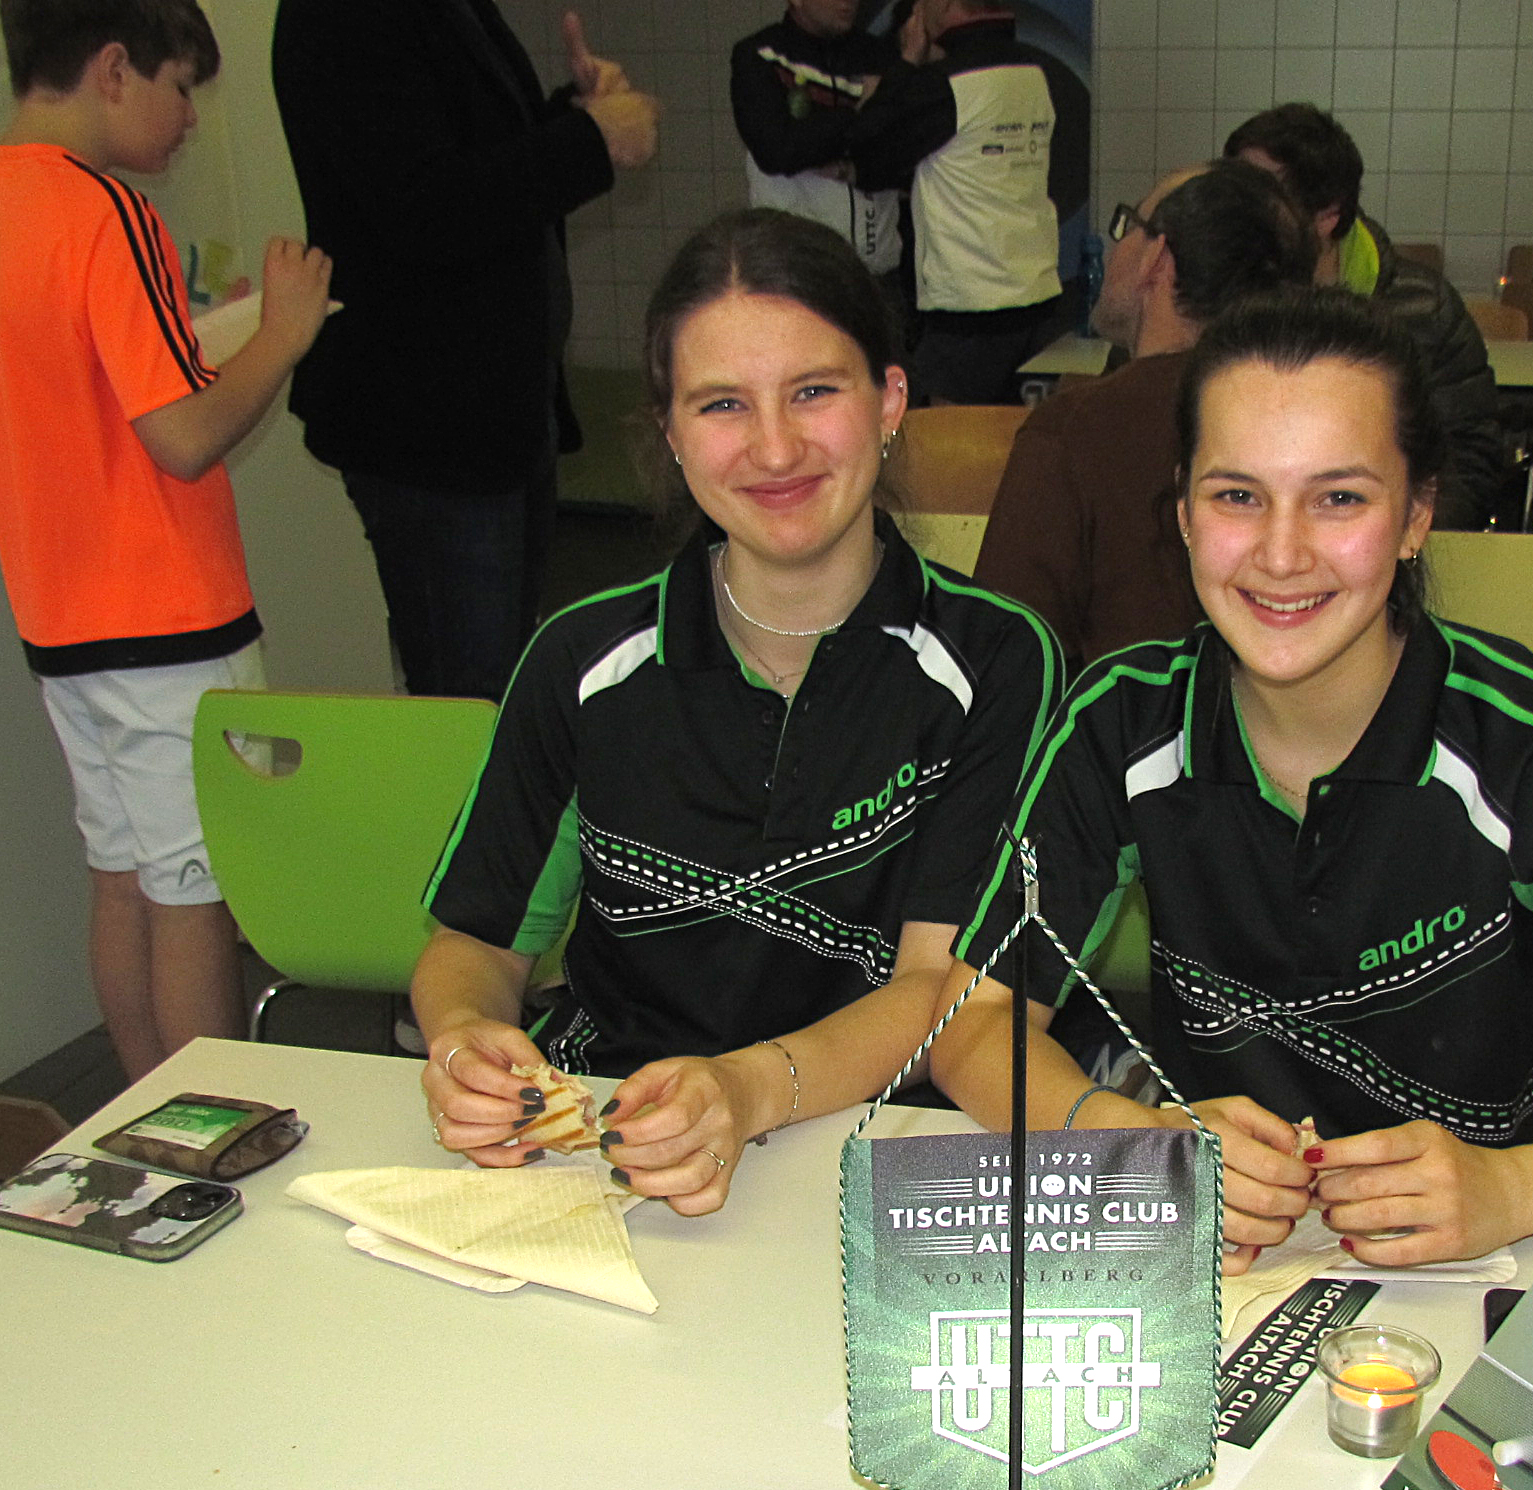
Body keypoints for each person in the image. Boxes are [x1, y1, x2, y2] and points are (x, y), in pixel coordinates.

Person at [930, 289, 1533, 1271]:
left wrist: (1516, 1190)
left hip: (1496, 1261)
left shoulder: (1532, 752)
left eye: (1340, 498)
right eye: (1236, 496)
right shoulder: (1117, 724)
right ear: (1182, 514)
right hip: (1235, 1265)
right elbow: (973, 1023)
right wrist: (1126, 1142)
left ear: (1417, 515)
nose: (1282, 553)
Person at [415, 209, 1062, 1215]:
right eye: (722, 404)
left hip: (873, 1148)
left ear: (891, 400)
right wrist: (464, 1038)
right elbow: (478, 944)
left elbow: (940, 991)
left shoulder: (998, 662)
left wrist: (745, 1089)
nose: (775, 446)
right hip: (607, 1140)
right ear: (671, 433)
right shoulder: (579, 661)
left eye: (814, 391)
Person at [0, 0, 333, 1080]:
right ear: (113, 70)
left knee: (123, 877)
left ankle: (142, 1124)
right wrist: (281, 335)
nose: (190, 117)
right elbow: (183, 437)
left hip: (61, 617)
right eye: (180, 87)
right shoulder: (107, 212)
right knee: (193, 891)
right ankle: (205, 1124)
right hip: (166, 619)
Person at [272, 0, 659, 701]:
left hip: (497, 408)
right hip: (429, 426)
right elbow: (423, 209)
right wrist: (588, 140)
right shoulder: (344, 16)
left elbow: (472, 159)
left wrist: (574, 117)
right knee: (468, 702)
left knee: (505, 686)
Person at [972, 159, 1316, 668]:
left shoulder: (1076, 430)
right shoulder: (1326, 422)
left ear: (1157, 258)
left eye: (1129, 224)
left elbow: (1002, 657)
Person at [1222, 104, 1503, 531]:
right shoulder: (1220, 301)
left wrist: (1387, 540)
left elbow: (1469, 464)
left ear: (1327, 216)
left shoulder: (1423, 307)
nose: (1236, 212)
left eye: (1259, 195)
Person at [849, 0, 1089, 406]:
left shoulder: (947, 84)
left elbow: (868, 157)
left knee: (947, 437)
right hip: (1036, 290)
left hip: (969, 306)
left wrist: (905, 63)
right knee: (1015, 431)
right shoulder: (1032, 72)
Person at [729, 0, 902, 278]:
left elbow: (902, 151)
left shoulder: (881, 58)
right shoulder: (762, 55)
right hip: (793, 272)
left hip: (876, 271)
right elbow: (777, 150)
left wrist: (843, 160)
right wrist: (860, 112)